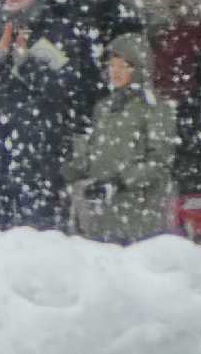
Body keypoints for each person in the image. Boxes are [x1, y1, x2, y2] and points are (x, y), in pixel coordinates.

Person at [0, 0, 81, 231]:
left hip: (37, 151)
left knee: (34, 230)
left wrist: (26, 62)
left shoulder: (54, 30)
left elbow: (64, 87)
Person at [69, 36, 178, 243]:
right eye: (112, 65)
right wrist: (77, 165)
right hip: (101, 211)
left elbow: (160, 161)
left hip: (140, 211)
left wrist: (123, 181)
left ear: (139, 69)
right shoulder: (103, 107)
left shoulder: (155, 108)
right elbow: (93, 153)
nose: (115, 71)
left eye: (124, 66)